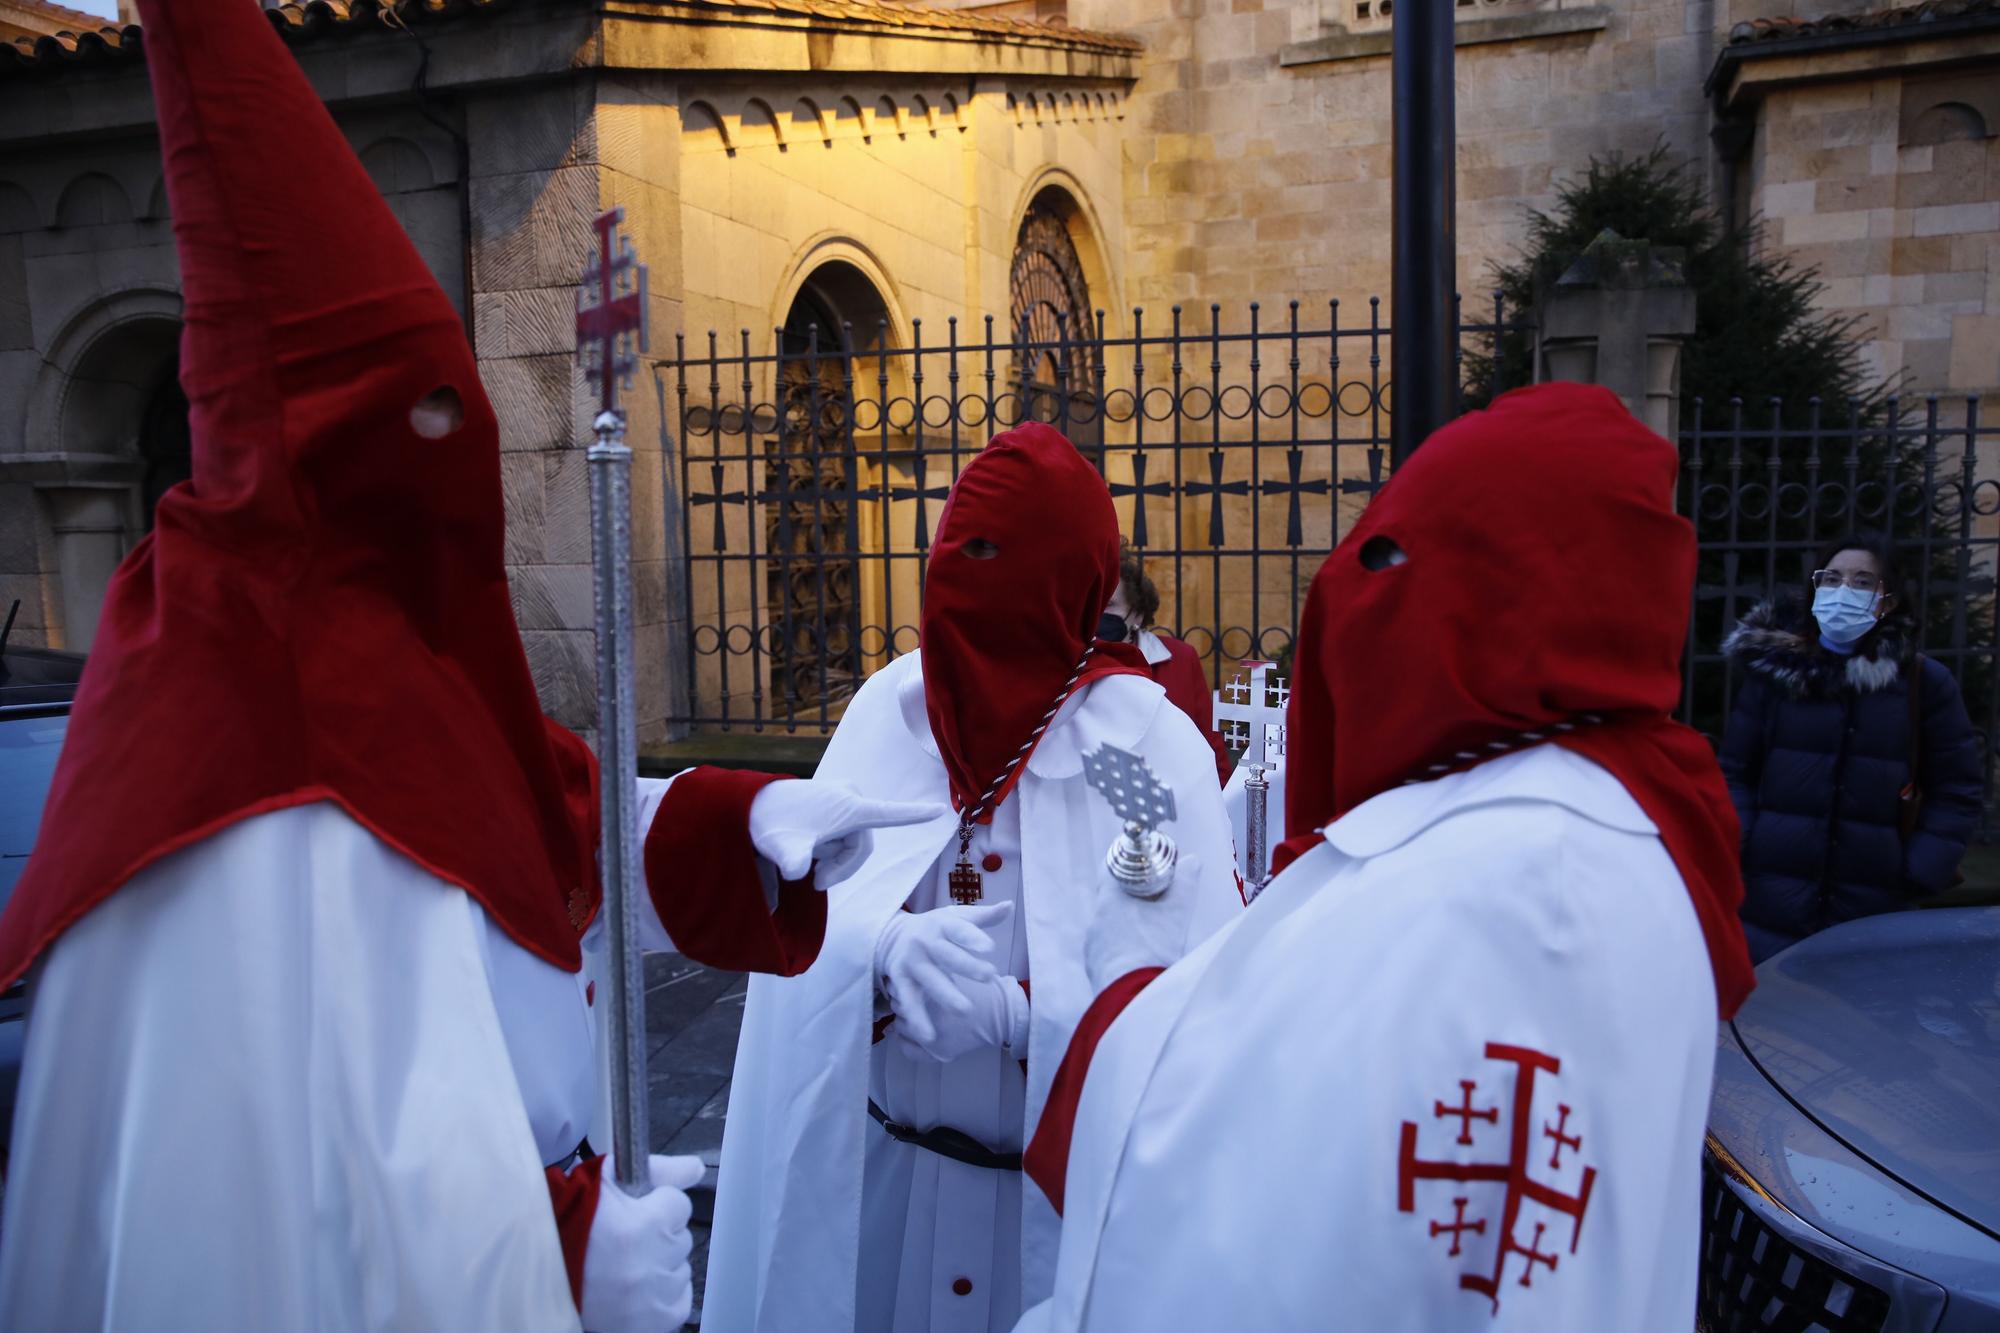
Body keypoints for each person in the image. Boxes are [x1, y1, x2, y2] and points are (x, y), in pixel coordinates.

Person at [0, 6, 930, 1327]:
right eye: (419, 420)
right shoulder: (249, 751)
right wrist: (559, 1260)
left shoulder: (388, 654)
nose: (456, 463)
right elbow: (275, 1224)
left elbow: (527, 835)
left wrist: (743, 817)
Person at [1014, 383, 1757, 1332]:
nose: (1346, 598)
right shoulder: (1530, 826)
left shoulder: (1547, 886)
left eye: (1389, 558)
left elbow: (1291, 1161)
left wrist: (1121, 988)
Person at [649, 422, 1244, 1333]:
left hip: (1042, 1221)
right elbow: (817, 910)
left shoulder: (1136, 747)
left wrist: (1023, 1017)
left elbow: (1177, 979)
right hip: (884, 1201)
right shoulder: (890, 716)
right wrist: (875, 951)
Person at [1719, 533, 1983, 962]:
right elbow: (1734, 773)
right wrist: (1744, 843)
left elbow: (1958, 789)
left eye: (1863, 582)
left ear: (1889, 601)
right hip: (1770, 902)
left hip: (1873, 908)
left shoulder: (1923, 683)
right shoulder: (1776, 675)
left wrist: (1917, 870)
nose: (1843, 591)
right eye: (1832, 578)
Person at [1097, 547, 1234, 785]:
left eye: (1109, 605)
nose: (1098, 614)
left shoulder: (1179, 659)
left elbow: (1209, 747)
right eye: (1092, 604)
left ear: (1137, 614)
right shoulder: (1070, 665)